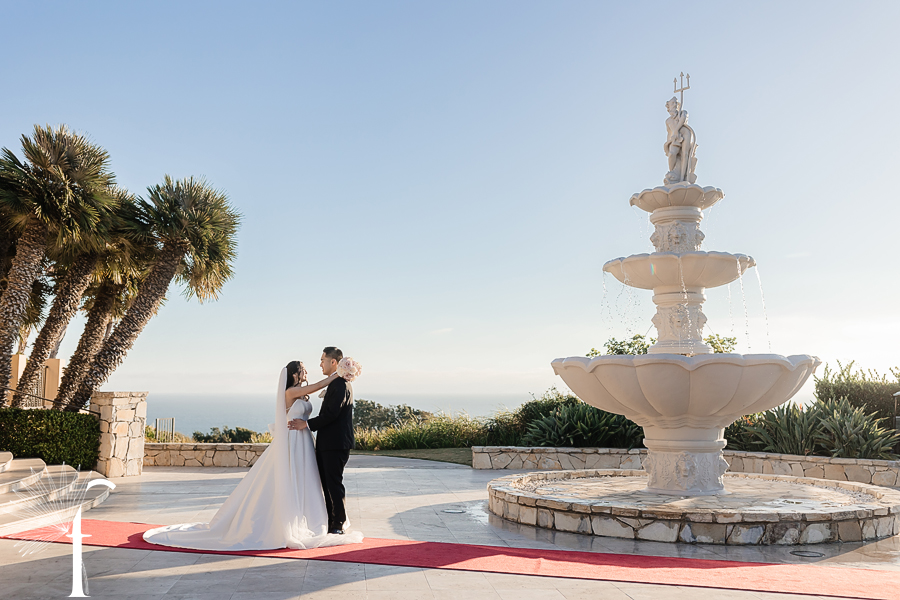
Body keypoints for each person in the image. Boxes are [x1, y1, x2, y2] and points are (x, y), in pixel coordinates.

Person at [142, 360, 363, 550]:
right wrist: (338, 375)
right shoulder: (290, 392)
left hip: (304, 440)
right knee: (289, 478)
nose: (306, 371)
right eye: (303, 369)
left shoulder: (301, 392)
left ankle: (314, 517)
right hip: (292, 441)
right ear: (294, 374)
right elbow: (316, 386)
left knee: (306, 480)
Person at [288, 347, 353, 534]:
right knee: (326, 483)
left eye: (323, 360)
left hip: (335, 444)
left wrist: (306, 424)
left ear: (333, 362)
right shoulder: (336, 382)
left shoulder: (340, 384)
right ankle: (331, 520)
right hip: (328, 444)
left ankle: (338, 524)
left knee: (333, 484)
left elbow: (332, 414)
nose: (320, 363)